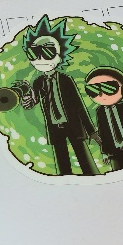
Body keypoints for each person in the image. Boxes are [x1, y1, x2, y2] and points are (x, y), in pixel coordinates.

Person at [20, 15, 101, 176]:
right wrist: (27, 100)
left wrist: (91, 131)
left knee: (85, 160)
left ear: (59, 56)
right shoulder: (38, 82)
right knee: (62, 164)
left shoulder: (66, 80)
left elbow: (79, 106)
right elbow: (34, 100)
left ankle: (94, 178)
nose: (41, 59)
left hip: (73, 126)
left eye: (47, 52)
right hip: (54, 128)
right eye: (34, 54)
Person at [85, 68, 123, 171]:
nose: (102, 95)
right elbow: (102, 132)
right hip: (113, 151)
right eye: (93, 90)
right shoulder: (100, 111)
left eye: (109, 88)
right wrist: (104, 153)